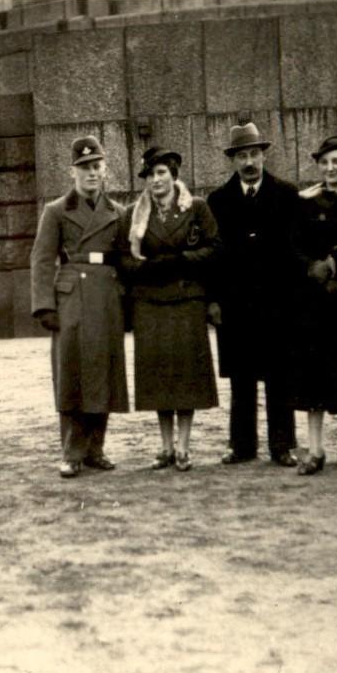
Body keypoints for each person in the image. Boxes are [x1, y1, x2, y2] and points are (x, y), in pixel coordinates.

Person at [30, 135, 130, 478]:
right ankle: (72, 452)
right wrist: (45, 306)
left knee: (103, 374)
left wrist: (126, 304)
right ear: (73, 172)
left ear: (105, 170)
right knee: (71, 375)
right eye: (84, 167)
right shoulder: (56, 211)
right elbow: (43, 260)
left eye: (96, 166)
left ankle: (95, 449)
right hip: (70, 298)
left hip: (106, 299)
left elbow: (126, 261)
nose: (91, 173)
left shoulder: (117, 213)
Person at [205, 122, 300, 467]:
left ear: (263, 155)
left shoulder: (287, 195)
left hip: (278, 304)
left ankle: (283, 445)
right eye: (242, 155)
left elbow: (296, 251)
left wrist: (295, 300)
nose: (249, 162)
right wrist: (213, 300)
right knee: (242, 379)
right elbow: (213, 257)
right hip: (236, 306)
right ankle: (242, 446)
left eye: (254, 154)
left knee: (280, 377)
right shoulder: (217, 201)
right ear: (233, 160)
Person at [119, 146, 219, 471]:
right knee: (159, 379)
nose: (155, 180)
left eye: (161, 172)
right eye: (150, 174)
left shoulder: (196, 209)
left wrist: (180, 261)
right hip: (150, 305)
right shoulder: (134, 214)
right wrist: (145, 270)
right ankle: (164, 446)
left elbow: (215, 249)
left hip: (186, 302)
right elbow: (124, 259)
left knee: (186, 377)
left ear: (174, 175)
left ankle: (184, 448)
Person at [291, 135, 337, 474]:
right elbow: (293, 244)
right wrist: (311, 266)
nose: (331, 168)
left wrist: (336, 262)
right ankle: (316, 449)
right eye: (325, 162)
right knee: (313, 374)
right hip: (315, 299)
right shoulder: (306, 201)